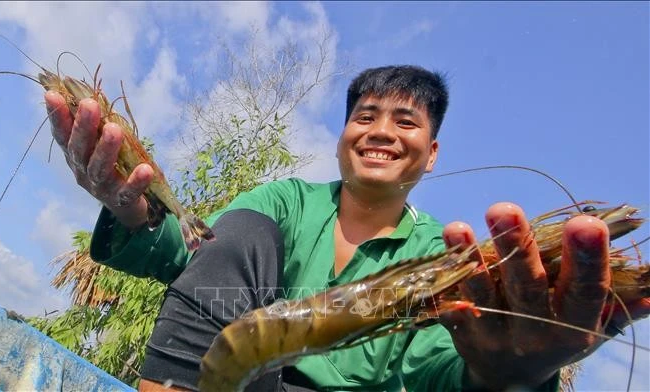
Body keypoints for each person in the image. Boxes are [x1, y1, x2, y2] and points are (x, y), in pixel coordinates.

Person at [45, 65, 629, 391]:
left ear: (431, 154)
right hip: (223, 382)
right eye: (364, 116)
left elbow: (440, 373)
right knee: (241, 232)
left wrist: (508, 374)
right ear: (343, 136)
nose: (381, 131)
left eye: (405, 121)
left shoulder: (441, 253)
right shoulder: (283, 201)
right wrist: (133, 209)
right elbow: (198, 258)